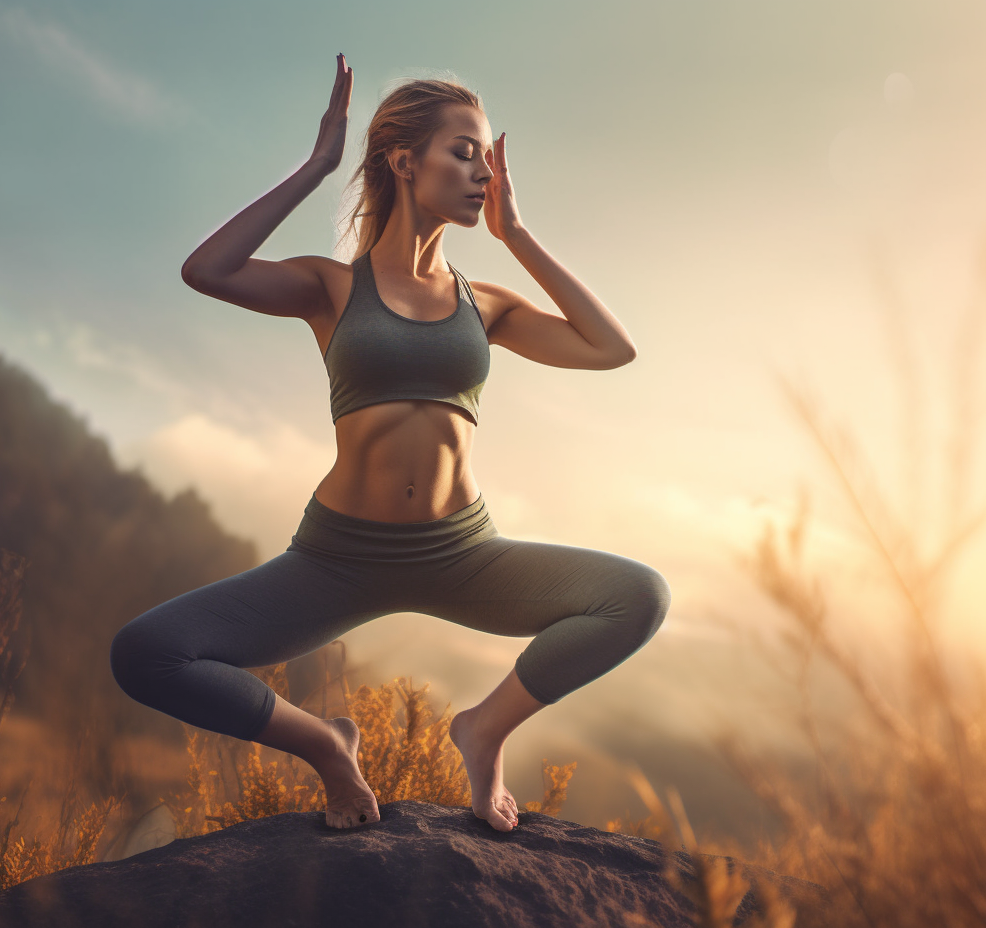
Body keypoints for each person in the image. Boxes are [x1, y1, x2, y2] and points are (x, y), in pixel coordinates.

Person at [110, 53, 671, 834]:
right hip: (337, 559)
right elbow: (207, 268)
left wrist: (519, 234)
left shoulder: (488, 305)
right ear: (405, 162)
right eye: (463, 151)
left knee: (638, 597)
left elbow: (611, 348)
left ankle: (483, 729)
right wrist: (317, 166)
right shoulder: (332, 288)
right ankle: (326, 744)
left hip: (462, 555)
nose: (483, 173)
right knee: (145, 653)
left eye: (487, 158)